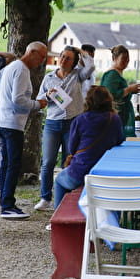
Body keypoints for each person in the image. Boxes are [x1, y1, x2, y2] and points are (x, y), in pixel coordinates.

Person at [0, 42, 48, 219]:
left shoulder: (12, 67)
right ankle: (8, 205)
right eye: (42, 56)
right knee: (13, 164)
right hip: (12, 124)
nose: (42, 61)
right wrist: (38, 104)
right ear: (32, 53)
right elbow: (18, 100)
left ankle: (5, 200)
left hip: (3, 122)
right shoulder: (21, 70)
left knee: (6, 164)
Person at [34, 46, 95, 210]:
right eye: (62, 56)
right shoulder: (49, 78)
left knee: (69, 160)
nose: (63, 60)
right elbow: (39, 98)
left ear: (74, 62)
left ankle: (67, 196)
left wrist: (80, 52)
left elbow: (90, 66)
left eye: (68, 58)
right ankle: (45, 198)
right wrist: (47, 95)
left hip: (73, 123)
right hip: (53, 123)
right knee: (47, 162)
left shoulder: (78, 76)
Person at [53, 86, 123, 209]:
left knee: (59, 180)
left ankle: (58, 218)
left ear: (88, 100)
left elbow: (72, 148)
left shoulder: (80, 120)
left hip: (80, 172)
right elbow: (119, 141)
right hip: (105, 174)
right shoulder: (114, 119)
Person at [100, 45, 140, 138]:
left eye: (128, 59)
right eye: (123, 59)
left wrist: (131, 91)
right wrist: (129, 89)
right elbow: (111, 95)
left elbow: (120, 93)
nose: (126, 62)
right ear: (114, 58)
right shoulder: (112, 74)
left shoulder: (118, 72)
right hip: (115, 116)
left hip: (121, 115)